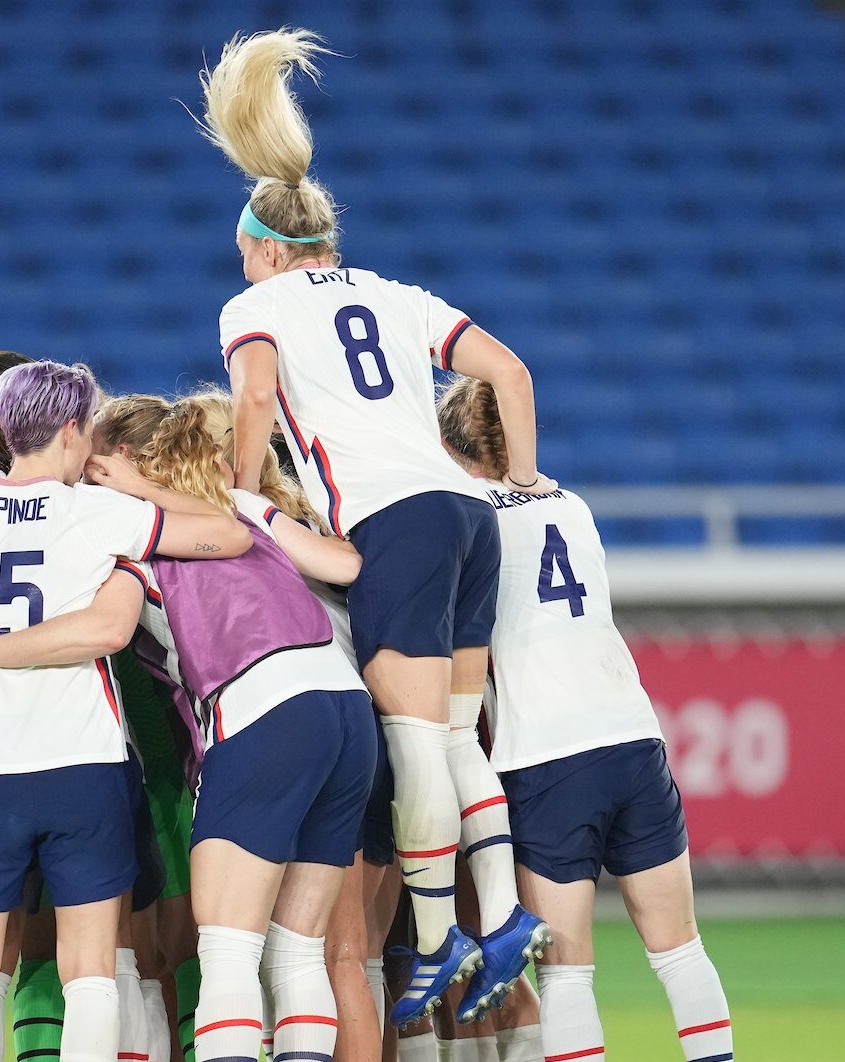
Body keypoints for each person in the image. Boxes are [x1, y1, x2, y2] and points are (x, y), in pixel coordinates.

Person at [199, 28, 550, 1025]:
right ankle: (499, 918)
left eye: (241, 253)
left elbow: (257, 399)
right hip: (467, 515)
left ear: (267, 249)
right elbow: (509, 372)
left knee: (412, 746)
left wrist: (239, 490)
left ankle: (437, 946)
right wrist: (520, 480)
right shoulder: (396, 295)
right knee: (453, 738)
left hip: (388, 524)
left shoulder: (251, 307)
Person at [0, 392, 377, 1062]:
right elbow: (350, 565)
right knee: (298, 952)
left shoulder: (118, 531)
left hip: (261, 708)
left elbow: (106, 628)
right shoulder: (242, 506)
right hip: (346, 709)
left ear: (116, 462)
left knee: (229, 953)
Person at [0, 361, 250, 1062]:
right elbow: (228, 535)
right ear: (71, 430)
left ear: (1, 426)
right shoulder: (97, 512)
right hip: (81, 764)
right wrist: (141, 493)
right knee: (90, 971)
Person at [440, 378, 733, 1062]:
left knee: (566, 971)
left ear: (453, 450)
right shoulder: (569, 502)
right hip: (631, 734)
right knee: (680, 952)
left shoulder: (465, 515)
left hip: (546, 751)